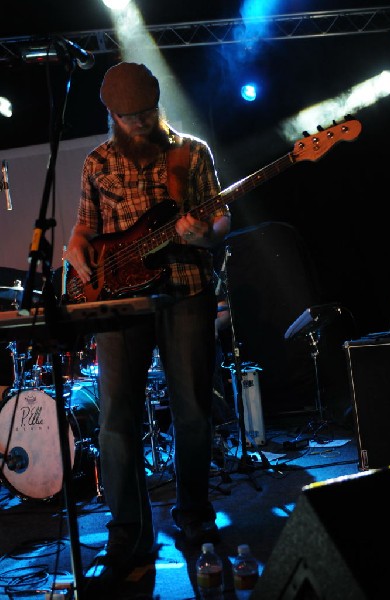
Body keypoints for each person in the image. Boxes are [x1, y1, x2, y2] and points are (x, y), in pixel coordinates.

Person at [64, 62, 231, 573]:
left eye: (146, 114)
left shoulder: (191, 151)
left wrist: (204, 234)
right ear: (111, 114)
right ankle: (128, 527)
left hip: (184, 291)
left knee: (193, 412)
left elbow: (221, 217)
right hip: (119, 301)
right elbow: (83, 231)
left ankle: (195, 513)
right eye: (128, 117)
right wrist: (77, 256)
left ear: (158, 106)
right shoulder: (97, 161)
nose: (139, 123)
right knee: (116, 419)